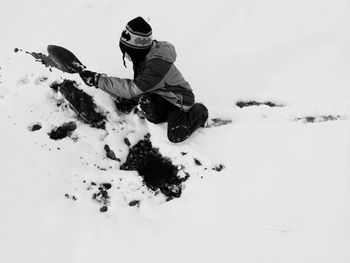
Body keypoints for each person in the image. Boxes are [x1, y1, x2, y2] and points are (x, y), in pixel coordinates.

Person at [79, 17, 208, 143]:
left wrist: (98, 80)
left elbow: (132, 88)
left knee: (175, 135)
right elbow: (138, 87)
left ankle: (200, 112)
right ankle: (165, 114)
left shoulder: (156, 65)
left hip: (180, 102)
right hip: (161, 95)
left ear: (136, 51)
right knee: (144, 105)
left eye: (127, 52)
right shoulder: (143, 57)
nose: (125, 56)